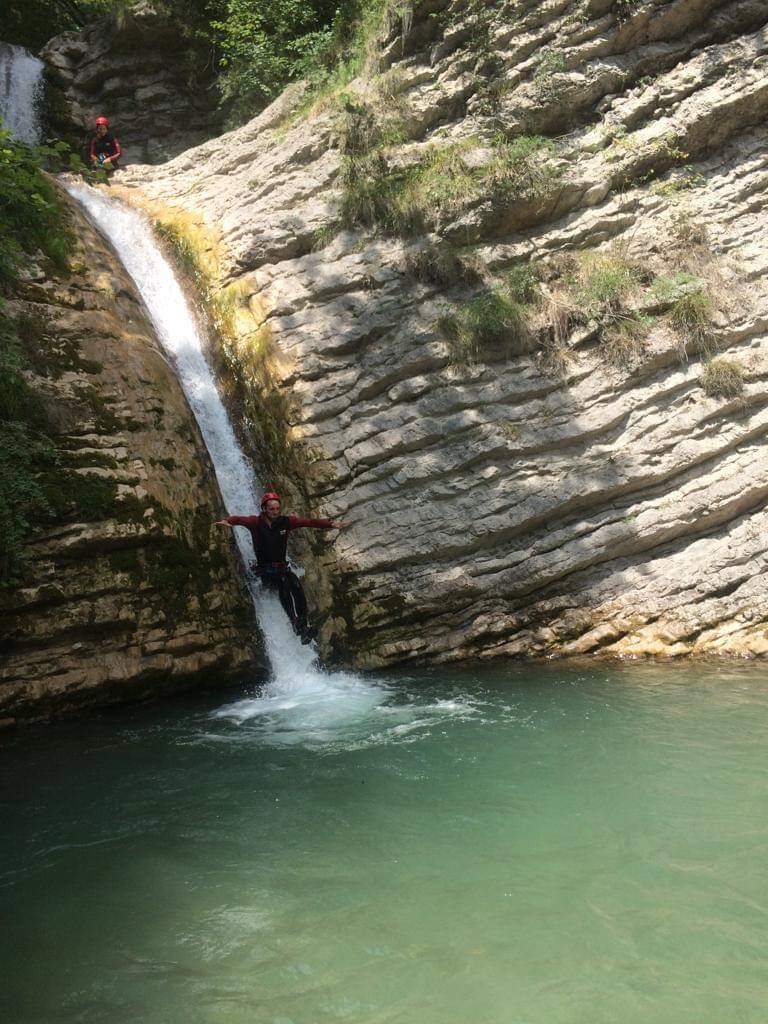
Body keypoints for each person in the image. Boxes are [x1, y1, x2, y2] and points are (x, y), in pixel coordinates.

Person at [214, 492, 348, 644]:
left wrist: (330, 524)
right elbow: (239, 519)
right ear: (264, 508)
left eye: (277, 508)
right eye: (272, 509)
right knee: (283, 582)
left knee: (296, 585)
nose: (275, 512)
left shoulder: (286, 522)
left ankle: (304, 626)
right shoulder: (256, 523)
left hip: (282, 568)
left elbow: (309, 522)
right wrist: (227, 521)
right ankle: (295, 623)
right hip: (265, 571)